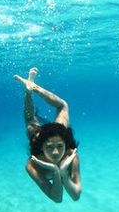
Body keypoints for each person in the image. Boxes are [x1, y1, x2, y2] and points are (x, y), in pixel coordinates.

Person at [14, 68, 81, 203]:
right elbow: (57, 198)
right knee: (31, 123)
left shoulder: (70, 153)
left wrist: (63, 173)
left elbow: (76, 196)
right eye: (50, 147)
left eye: (60, 146)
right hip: (38, 135)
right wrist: (56, 173)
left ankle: (33, 87)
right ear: (42, 147)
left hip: (57, 132)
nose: (56, 152)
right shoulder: (32, 165)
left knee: (63, 106)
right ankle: (28, 91)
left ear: (65, 144)